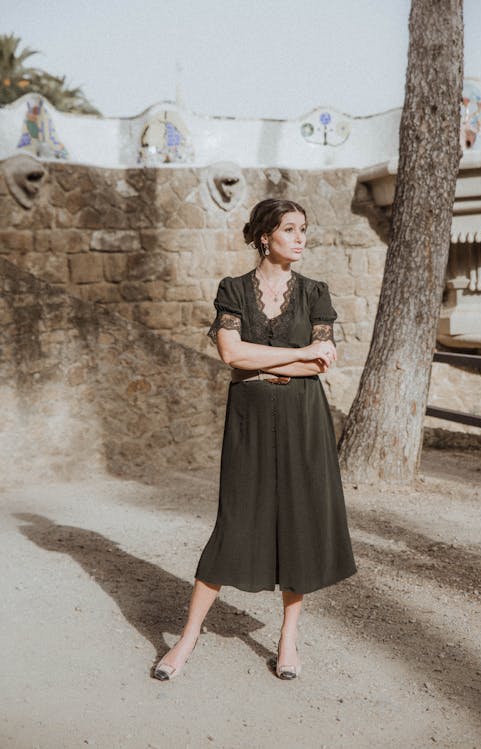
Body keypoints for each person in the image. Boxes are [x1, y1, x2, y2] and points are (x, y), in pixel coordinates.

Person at [154, 198, 357, 681]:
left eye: (304, 229)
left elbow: (320, 363)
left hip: (304, 419)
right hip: (248, 416)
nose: (301, 238)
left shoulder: (316, 293)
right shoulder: (233, 289)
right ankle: (187, 638)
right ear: (265, 236)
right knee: (235, 519)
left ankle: (287, 639)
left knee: (299, 522)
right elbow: (230, 353)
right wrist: (300, 351)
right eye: (290, 229)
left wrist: (278, 356)